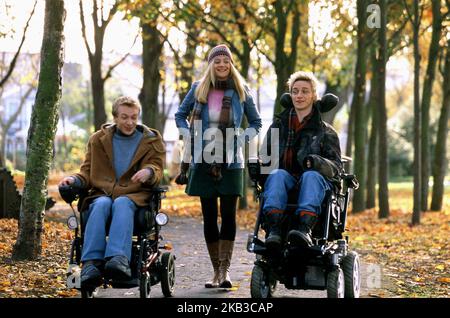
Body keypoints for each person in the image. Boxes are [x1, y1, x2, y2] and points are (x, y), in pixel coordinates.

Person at [175, 44, 261, 288]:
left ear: (231, 64)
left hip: (231, 163)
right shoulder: (198, 89)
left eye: (226, 61)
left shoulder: (241, 90)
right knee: (210, 217)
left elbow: (256, 122)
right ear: (210, 64)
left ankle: (226, 271)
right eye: (217, 61)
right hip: (202, 160)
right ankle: (215, 272)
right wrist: (189, 135)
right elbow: (180, 115)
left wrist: (239, 139)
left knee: (229, 217)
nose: (222, 65)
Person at [58, 96, 165, 288]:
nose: (130, 122)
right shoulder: (98, 140)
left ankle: (118, 259)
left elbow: (157, 167)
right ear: (115, 117)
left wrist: (148, 172)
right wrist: (73, 180)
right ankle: (91, 263)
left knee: (122, 202)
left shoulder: (151, 140)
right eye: (124, 117)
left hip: (134, 195)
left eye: (134, 117)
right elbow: (86, 172)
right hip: (102, 193)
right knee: (101, 203)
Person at [260, 71, 342, 251]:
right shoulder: (278, 127)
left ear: (314, 96)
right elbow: (265, 158)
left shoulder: (326, 132)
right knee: (277, 174)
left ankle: (304, 229)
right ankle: (274, 230)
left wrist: (317, 163)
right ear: (290, 95)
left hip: (316, 184)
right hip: (285, 182)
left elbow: (336, 167)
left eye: (305, 91)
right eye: (295, 91)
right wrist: (257, 168)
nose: (299, 95)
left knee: (311, 176)